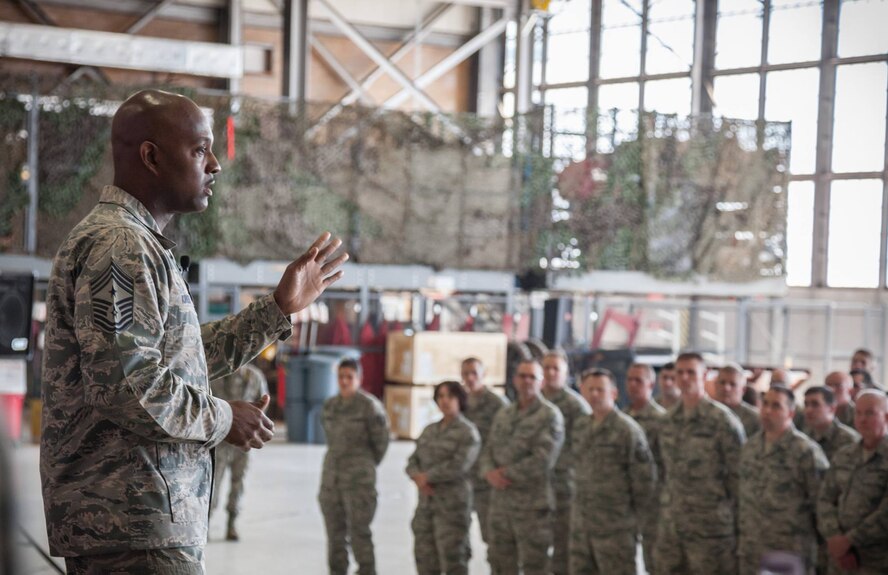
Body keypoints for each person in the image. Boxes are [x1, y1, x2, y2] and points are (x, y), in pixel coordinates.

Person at [39, 89, 347, 574]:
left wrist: (277, 309)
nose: (216, 166)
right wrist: (225, 418)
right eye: (200, 150)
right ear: (151, 157)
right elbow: (127, 387)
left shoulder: (137, 244)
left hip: (139, 519)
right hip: (131, 523)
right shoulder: (120, 246)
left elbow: (177, 359)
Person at [655, 352, 746, 575]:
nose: (684, 378)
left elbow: (740, 478)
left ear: (704, 375)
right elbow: (662, 471)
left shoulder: (722, 421)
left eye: (691, 372)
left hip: (710, 530)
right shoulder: (667, 421)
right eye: (680, 372)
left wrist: (739, 528)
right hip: (673, 527)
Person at [479, 359, 564, 575]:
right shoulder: (505, 413)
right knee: (499, 563)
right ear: (515, 380)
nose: (527, 381)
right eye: (522, 376)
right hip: (500, 504)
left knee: (535, 566)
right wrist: (489, 472)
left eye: (532, 377)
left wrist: (504, 474)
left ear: (541, 382)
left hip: (532, 507)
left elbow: (543, 459)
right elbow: (488, 448)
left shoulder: (550, 415)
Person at [572, 368, 656, 575]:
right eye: (590, 389)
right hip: (582, 525)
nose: (594, 395)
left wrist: (632, 521)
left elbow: (644, 481)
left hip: (615, 527)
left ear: (614, 393)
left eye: (600, 390)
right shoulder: (581, 426)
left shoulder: (627, 430)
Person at [738, 385, 828, 575]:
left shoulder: (805, 451)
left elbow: (822, 505)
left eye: (776, 406)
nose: (768, 411)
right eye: (765, 404)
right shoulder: (750, 447)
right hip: (751, 549)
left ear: (791, 413)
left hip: (788, 550)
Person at [319, 358, 390, 575]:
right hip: (331, 480)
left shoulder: (370, 407)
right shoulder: (330, 405)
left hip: (359, 481)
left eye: (349, 377)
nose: (344, 381)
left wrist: (363, 464)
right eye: (341, 376)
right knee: (335, 535)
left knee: (360, 532)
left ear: (359, 379)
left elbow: (381, 443)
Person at [406, 381, 481, 575]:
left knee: (453, 559)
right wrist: (416, 475)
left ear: (460, 400)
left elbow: (460, 465)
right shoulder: (430, 430)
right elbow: (413, 459)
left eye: (450, 396)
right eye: (440, 396)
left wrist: (428, 477)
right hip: (426, 505)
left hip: (452, 507)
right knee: (425, 559)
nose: (445, 401)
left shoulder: (467, 432)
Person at [817, 390, 888, 574]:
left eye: (870, 413)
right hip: (839, 559)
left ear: (886, 417)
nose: (862, 419)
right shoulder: (844, 455)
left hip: (877, 560)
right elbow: (825, 499)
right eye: (858, 413)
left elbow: (885, 513)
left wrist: (849, 541)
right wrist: (834, 537)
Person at [540, 350, 591, 575]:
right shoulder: (534, 401)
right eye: (546, 368)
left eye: (556, 369)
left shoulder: (575, 405)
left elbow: (588, 446)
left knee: (563, 546)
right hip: (535, 487)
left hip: (565, 486)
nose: (550, 373)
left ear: (565, 373)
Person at [209, 362, 269, 541]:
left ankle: (232, 523)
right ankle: (207, 523)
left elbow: (263, 405)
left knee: (239, 483)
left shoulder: (254, 377)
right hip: (219, 440)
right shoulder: (215, 374)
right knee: (213, 484)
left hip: (244, 443)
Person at [460, 357, 507, 553]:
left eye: (474, 373)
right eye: (466, 374)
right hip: (463, 478)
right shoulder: (460, 402)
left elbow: (507, 440)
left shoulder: (497, 404)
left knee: (493, 535)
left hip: (487, 480)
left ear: (483, 374)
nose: (470, 378)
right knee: (457, 533)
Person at [625, 362, 667, 573]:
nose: (633, 385)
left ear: (651, 384)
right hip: (624, 504)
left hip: (653, 504)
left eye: (638, 381)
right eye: (630, 380)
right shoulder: (622, 418)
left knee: (654, 563)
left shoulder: (661, 421)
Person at [801, 386, 860, 462]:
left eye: (815, 404)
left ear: (832, 408)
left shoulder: (848, 439)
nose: (808, 410)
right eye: (806, 404)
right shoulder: (805, 436)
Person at [714, 363, 762, 438]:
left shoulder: (756, 419)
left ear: (743, 390)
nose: (726, 388)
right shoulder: (704, 413)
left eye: (732, 384)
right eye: (722, 383)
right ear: (716, 385)